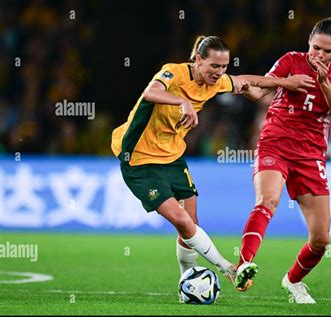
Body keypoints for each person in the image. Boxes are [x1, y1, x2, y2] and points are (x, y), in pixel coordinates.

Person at [110, 35, 314, 298]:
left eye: (224, 67)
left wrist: (285, 83)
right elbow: (151, 92)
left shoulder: (215, 83)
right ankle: (228, 268)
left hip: (172, 157)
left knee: (191, 223)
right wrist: (181, 102)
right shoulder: (173, 72)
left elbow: (249, 80)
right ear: (197, 60)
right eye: (214, 66)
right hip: (139, 159)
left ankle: (187, 279)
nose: (219, 73)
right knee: (183, 221)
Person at [234, 17, 331, 303]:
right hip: (275, 144)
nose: (319, 55)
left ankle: (293, 280)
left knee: (321, 240)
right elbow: (260, 89)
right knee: (268, 201)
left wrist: (324, 80)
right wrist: (249, 88)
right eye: (316, 48)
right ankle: (243, 265)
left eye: (327, 51)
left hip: (311, 156)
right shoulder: (291, 60)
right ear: (308, 42)